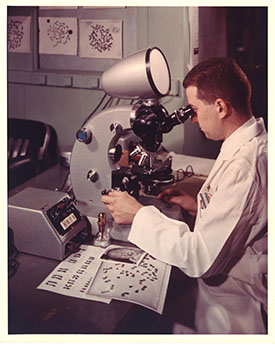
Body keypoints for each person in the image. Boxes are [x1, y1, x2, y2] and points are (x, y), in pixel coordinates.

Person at [101, 57, 267, 334]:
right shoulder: (254, 143)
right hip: (230, 288)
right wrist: (198, 206)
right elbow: (247, 214)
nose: (191, 118)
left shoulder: (244, 167)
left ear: (221, 107)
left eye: (194, 109)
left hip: (240, 305)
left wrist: (138, 214)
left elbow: (200, 258)